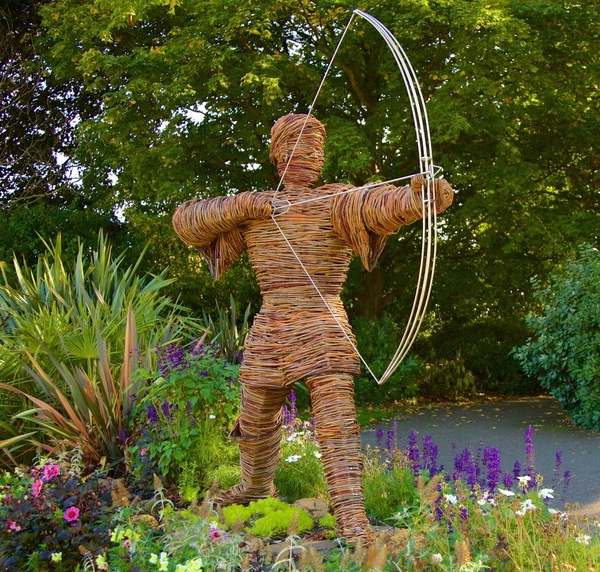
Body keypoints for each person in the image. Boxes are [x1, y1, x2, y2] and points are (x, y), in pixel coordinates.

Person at [172, 113, 453, 542]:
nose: (307, 156)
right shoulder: (255, 207)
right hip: (272, 323)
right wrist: (245, 205)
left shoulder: (335, 201)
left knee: (336, 417)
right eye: (297, 147)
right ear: (278, 155)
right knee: (256, 414)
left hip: (322, 321)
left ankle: (352, 516)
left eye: (315, 149)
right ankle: (254, 486)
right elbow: (187, 222)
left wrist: (421, 199)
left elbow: (379, 204)